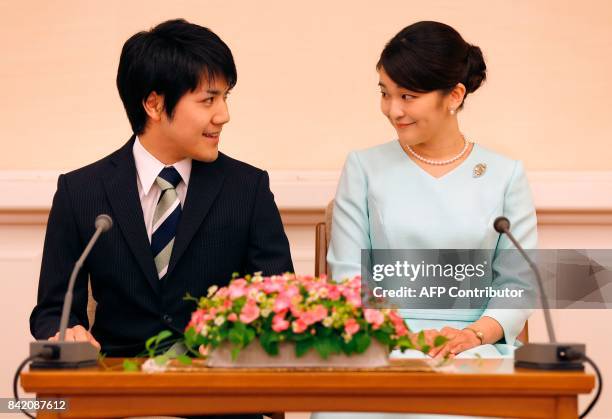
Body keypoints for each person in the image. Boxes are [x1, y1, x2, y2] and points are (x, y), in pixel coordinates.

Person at [30, 19, 293, 366]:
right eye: (208, 100)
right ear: (153, 105)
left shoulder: (248, 188)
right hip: (118, 392)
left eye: (225, 98)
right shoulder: (80, 192)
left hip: (218, 391)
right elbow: (52, 311)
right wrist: (69, 330)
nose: (224, 115)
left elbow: (280, 302)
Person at [314, 21, 537, 419]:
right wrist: (404, 336)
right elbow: (347, 277)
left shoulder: (506, 174)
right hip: (380, 346)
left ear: (453, 95)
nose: (392, 110)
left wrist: (472, 334)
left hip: (475, 347)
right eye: (385, 94)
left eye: (408, 96)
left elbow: (517, 284)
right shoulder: (364, 167)